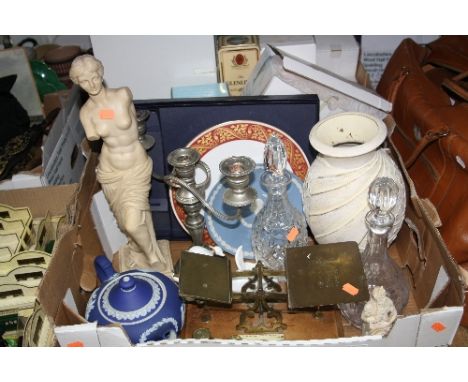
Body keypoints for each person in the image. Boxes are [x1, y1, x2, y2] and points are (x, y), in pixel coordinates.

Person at [69, 54, 172, 275]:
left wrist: (106, 117)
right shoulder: (86, 113)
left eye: (94, 77)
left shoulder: (123, 94)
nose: (92, 84)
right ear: (78, 83)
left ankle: (153, 256)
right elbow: (93, 137)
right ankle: (139, 249)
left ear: (101, 73)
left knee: (133, 222)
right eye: (84, 81)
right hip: (111, 170)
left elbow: (131, 124)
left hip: (135, 165)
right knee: (124, 222)